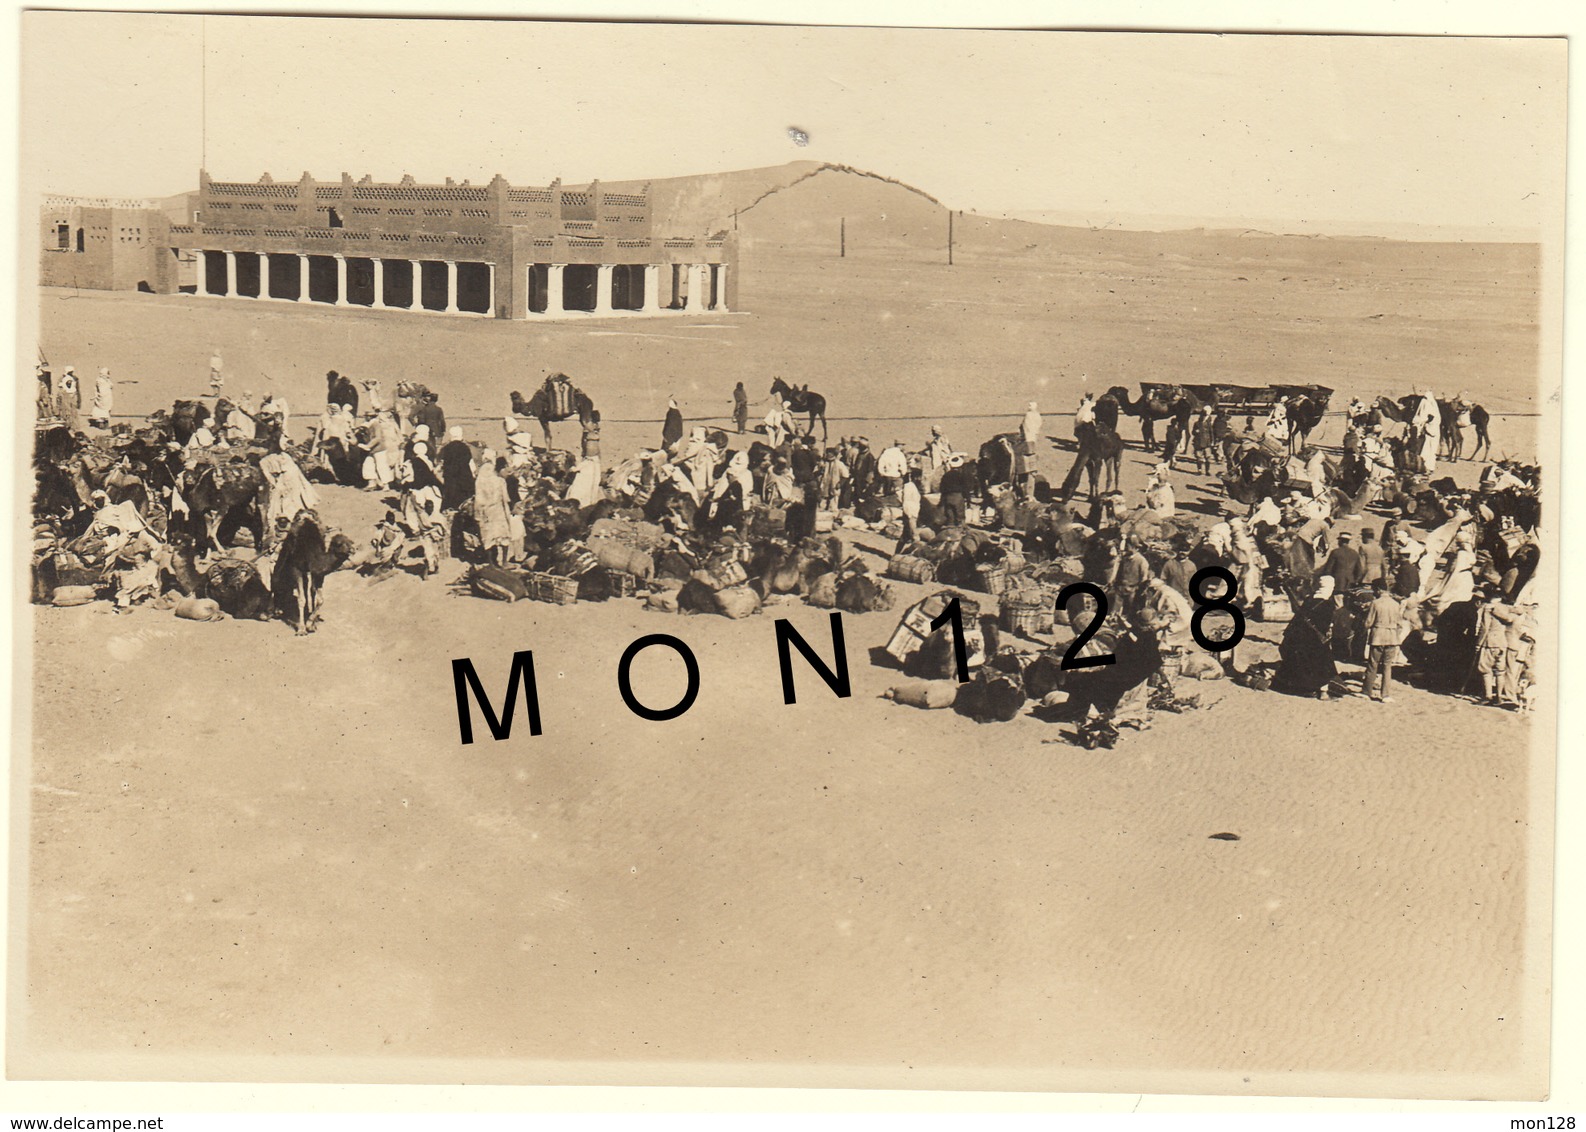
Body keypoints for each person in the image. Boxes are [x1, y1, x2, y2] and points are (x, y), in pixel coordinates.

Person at [1275, 575, 1340, 700]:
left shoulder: (1310, 599)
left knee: (1304, 662)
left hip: (1302, 637)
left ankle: (1304, 688)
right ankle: (1323, 693)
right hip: (1317, 638)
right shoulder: (1328, 603)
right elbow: (1325, 624)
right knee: (1324, 663)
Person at [1362, 578, 1403, 702]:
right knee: (1387, 666)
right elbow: (1399, 624)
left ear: (1379, 590)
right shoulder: (1396, 604)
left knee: (1373, 664)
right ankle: (1385, 694)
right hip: (1392, 637)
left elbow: (1369, 622)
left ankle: (1367, 691)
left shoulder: (1376, 603)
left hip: (1378, 636)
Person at [472, 453, 515, 567]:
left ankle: (491, 563)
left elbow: (478, 499)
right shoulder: (500, 481)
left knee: (488, 536)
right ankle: (504, 562)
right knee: (504, 535)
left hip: (486, 512)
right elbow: (505, 499)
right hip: (498, 511)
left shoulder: (481, 481)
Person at [439, 425, 476, 512]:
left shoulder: (446, 448)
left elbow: (442, 462)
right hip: (464, 478)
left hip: (450, 478)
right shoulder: (465, 448)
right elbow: (470, 463)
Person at [938, 453, 974, 528]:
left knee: (950, 517)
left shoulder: (946, 475)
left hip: (947, 497)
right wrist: (968, 499)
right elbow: (966, 487)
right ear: (960, 466)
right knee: (960, 516)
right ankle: (961, 533)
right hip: (958, 496)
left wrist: (942, 500)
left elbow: (942, 488)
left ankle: (950, 532)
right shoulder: (961, 475)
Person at [896, 464, 923, 554]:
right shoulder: (909, 486)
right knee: (914, 536)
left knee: (905, 536)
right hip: (910, 514)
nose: (920, 479)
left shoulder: (913, 486)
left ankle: (896, 553)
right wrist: (909, 516)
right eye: (919, 477)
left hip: (913, 513)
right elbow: (906, 502)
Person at [1020, 401, 1042, 497]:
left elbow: (1025, 427)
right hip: (1034, 438)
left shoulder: (1028, 415)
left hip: (1028, 438)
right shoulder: (1037, 415)